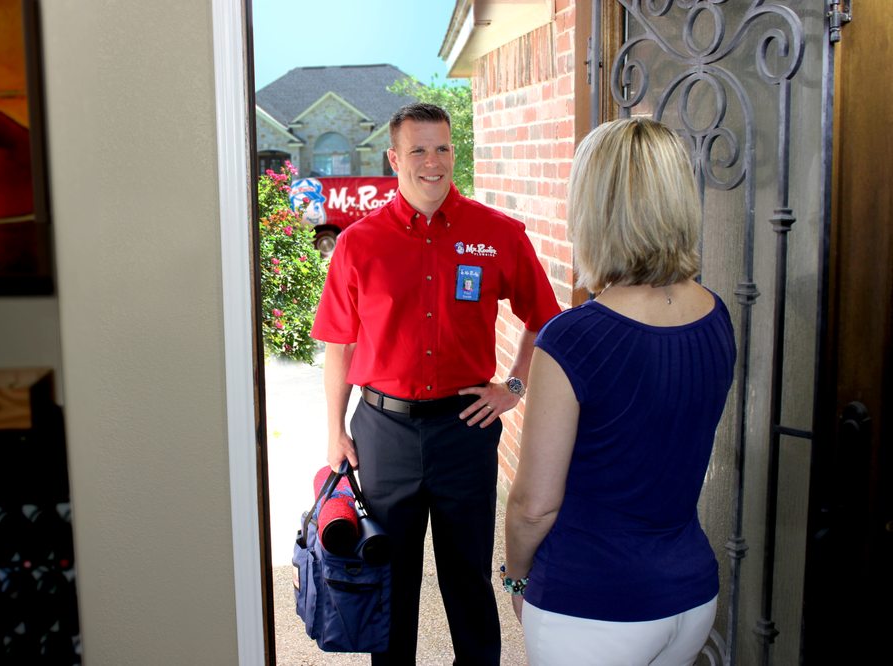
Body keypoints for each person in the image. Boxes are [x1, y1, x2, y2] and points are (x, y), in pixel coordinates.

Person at [311, 102, 560, 665]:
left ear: (454, 153)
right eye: (418, 150)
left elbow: (545, 318)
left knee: (468, 579)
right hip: (382, 433)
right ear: (394, 158)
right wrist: (334, 430)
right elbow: (338, 345)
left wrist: (513, 387)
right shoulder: (358, 244)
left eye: (443, 148)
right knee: (389, 582)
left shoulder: (496, 234)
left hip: (464, 432)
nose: (433, 162)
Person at [502, 117, 737, 665]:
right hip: (690, 597)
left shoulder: (574, 338)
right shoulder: (715, 313)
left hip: (594, 607)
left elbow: (533, 506)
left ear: (596, 210)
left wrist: (515, 580)